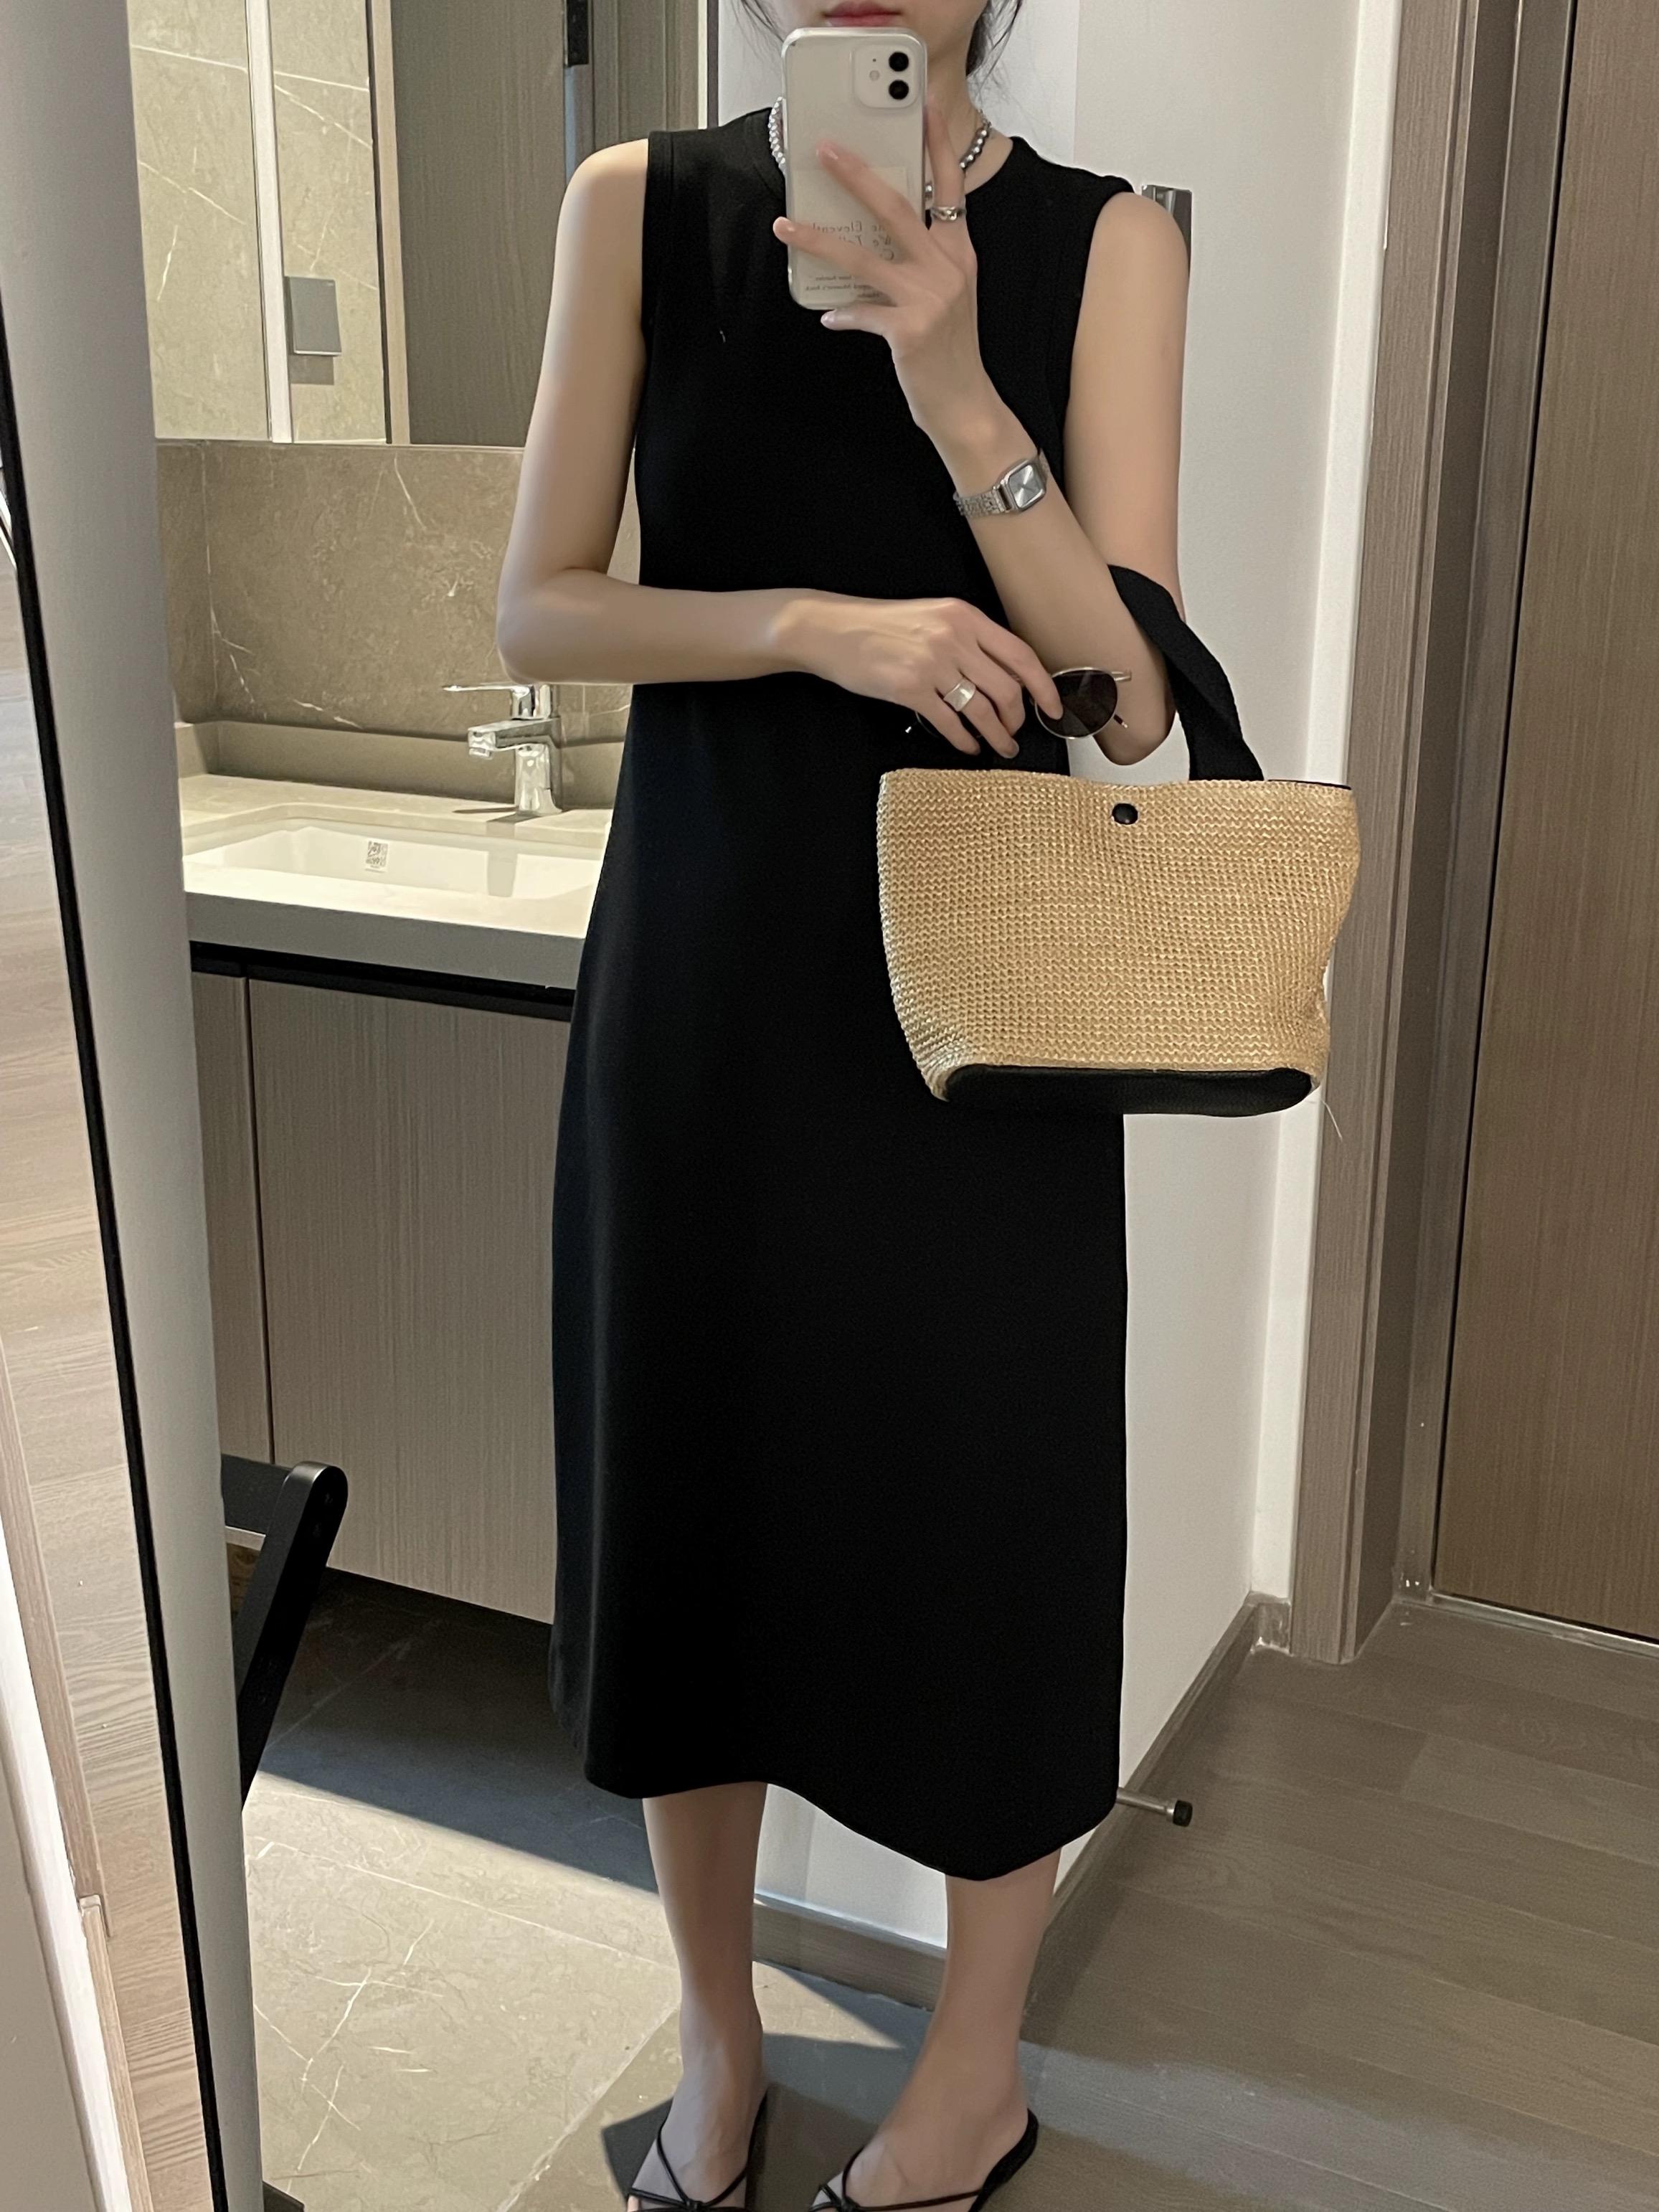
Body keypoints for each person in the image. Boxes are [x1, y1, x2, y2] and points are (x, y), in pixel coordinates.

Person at [496, 0, 1190, 2201]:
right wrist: (820, 625)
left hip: (981, 1022)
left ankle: (970, 2072)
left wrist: (955, 383)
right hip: (707, 984)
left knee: (989, 1522)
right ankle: (717, 2041)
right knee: (691, 1505)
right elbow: (539, 608)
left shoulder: (1107, 243)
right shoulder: (638, 208)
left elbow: (1128, 696)